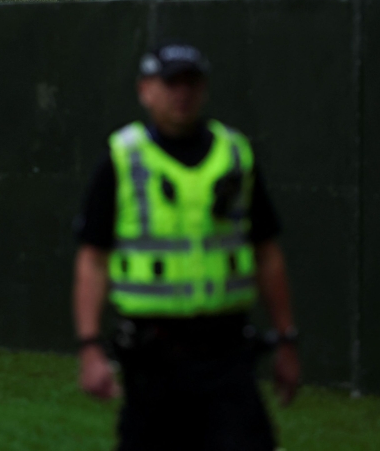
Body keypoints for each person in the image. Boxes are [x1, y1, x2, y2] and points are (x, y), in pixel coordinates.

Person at [73, 43, 301, 451]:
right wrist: (89, 347)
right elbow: (93, 258)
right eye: (171, 83)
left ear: (205, 89)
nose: (182, 93)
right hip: (152, 359)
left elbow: (267, 253)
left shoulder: (234, 155)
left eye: (191, 83)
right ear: (146, 90)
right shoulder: (123, 158)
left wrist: (286, 340)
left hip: (226, 353)